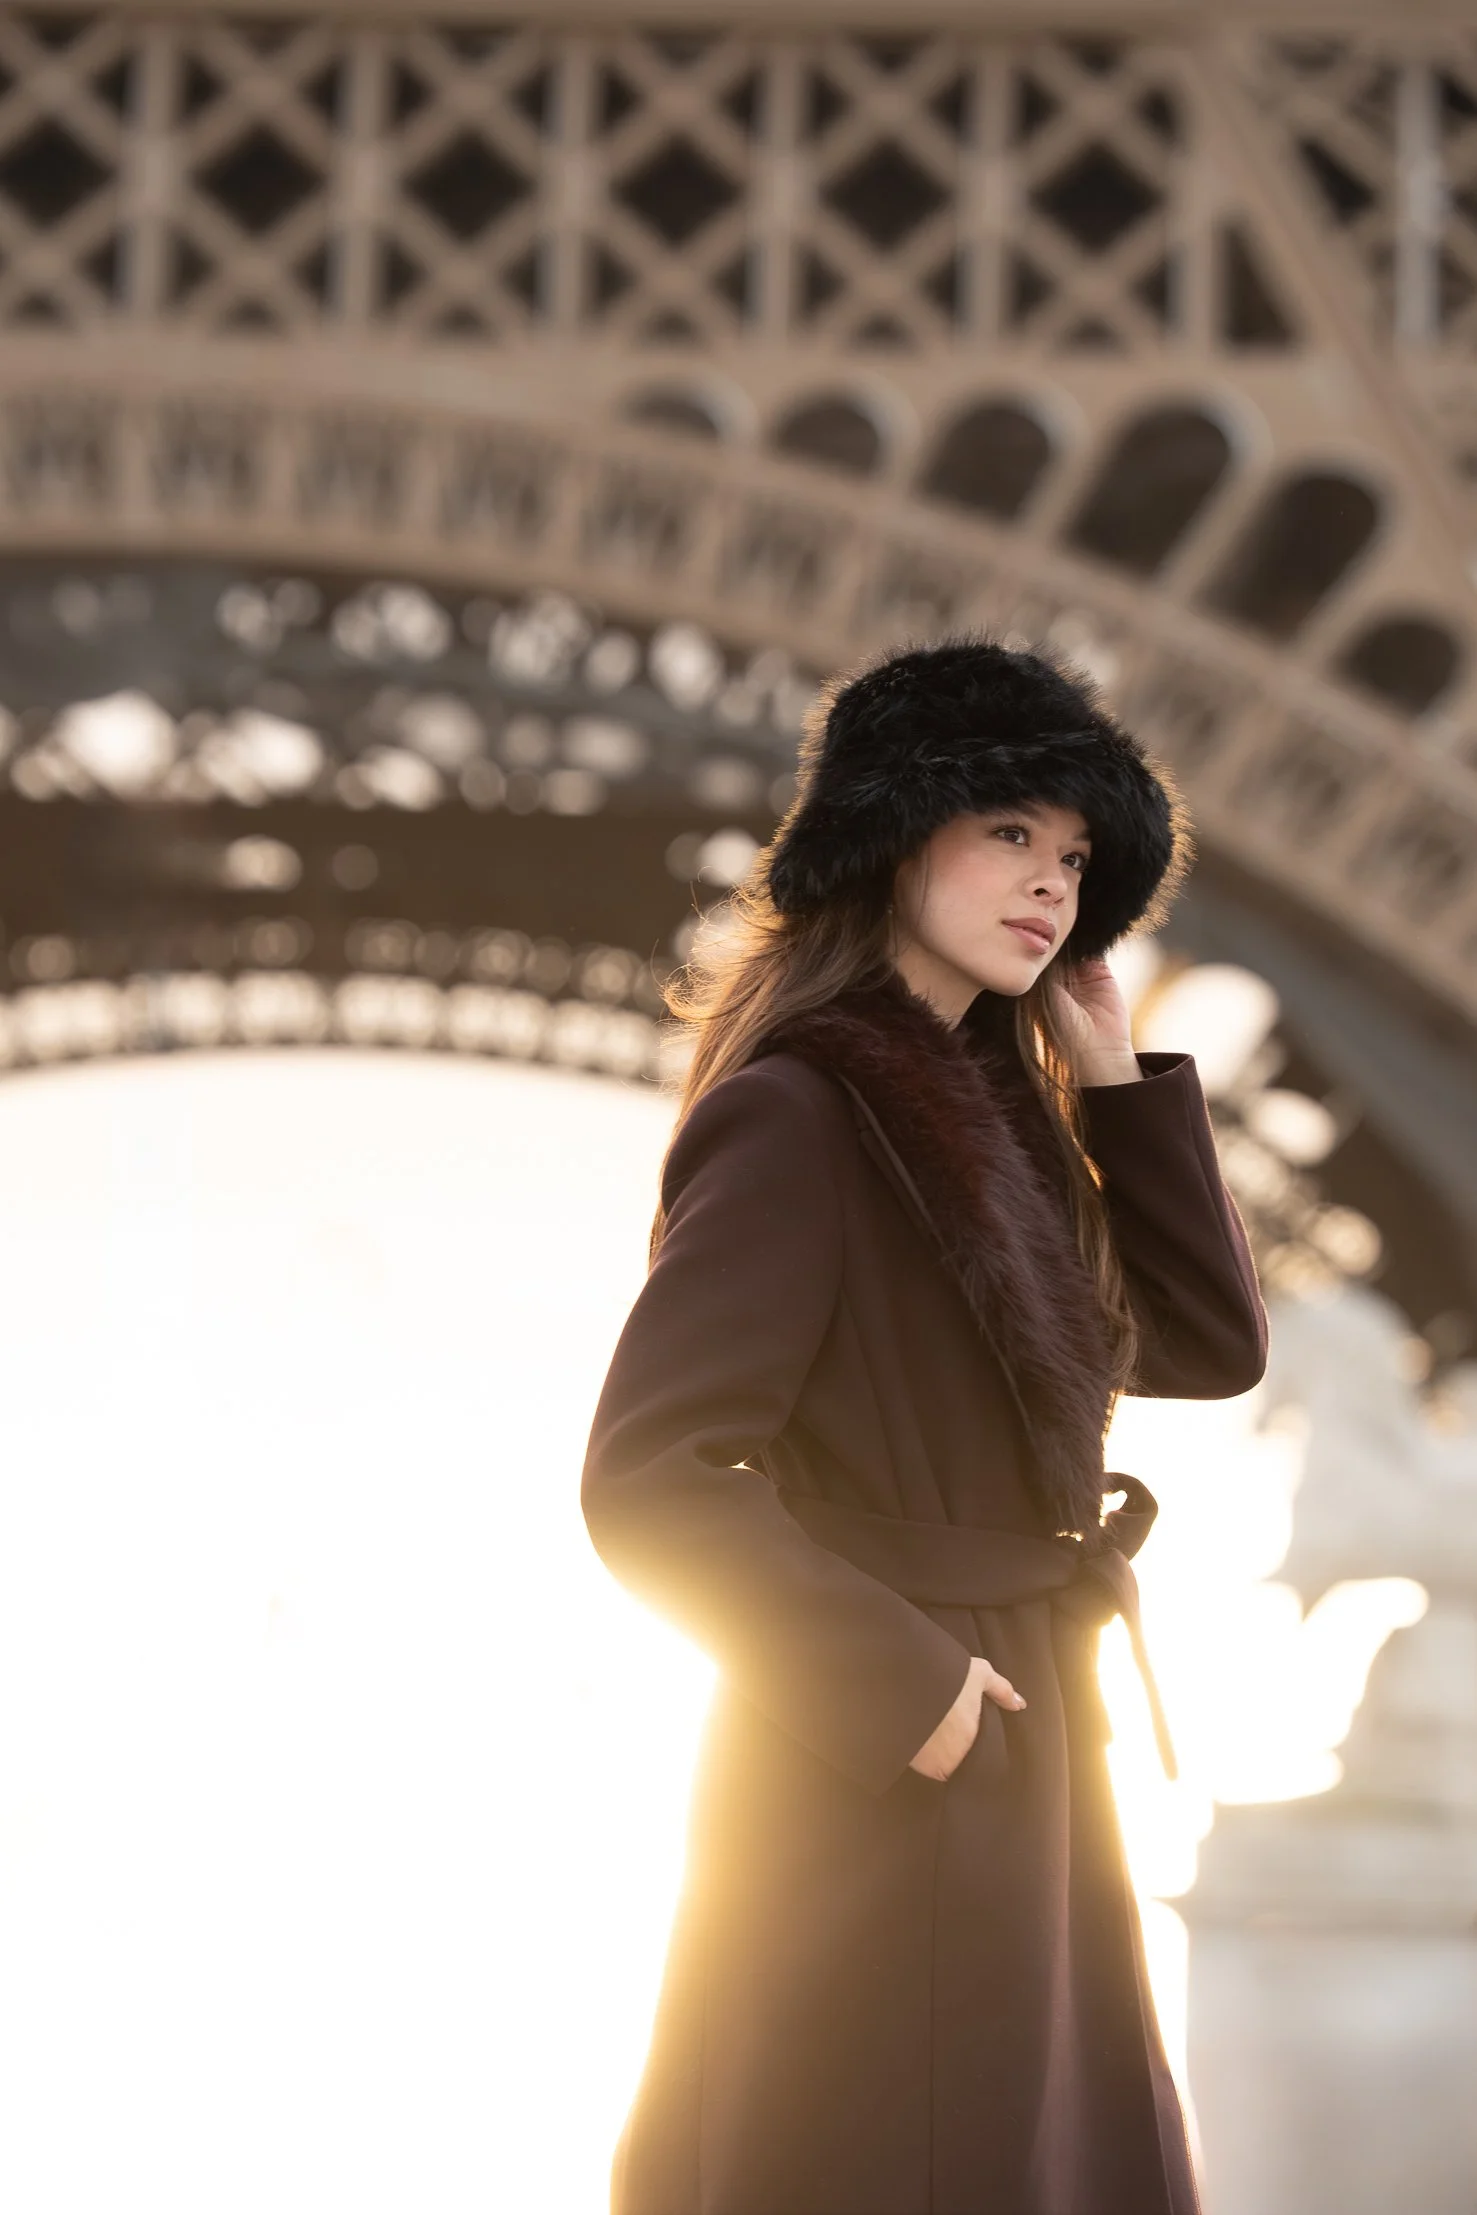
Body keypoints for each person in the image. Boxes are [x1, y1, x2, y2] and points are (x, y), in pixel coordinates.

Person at [580, 637, 1267, 2215]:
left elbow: (1210, 1346)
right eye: (1010, 833)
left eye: (1077, 856)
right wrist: (913, 1690)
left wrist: (1116, 1081)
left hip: (1015, 1733)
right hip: (891, 1746)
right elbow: (652, 1477)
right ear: (898, 837)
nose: (1051, 884)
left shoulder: (1010, 1140)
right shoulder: (803, 1110)